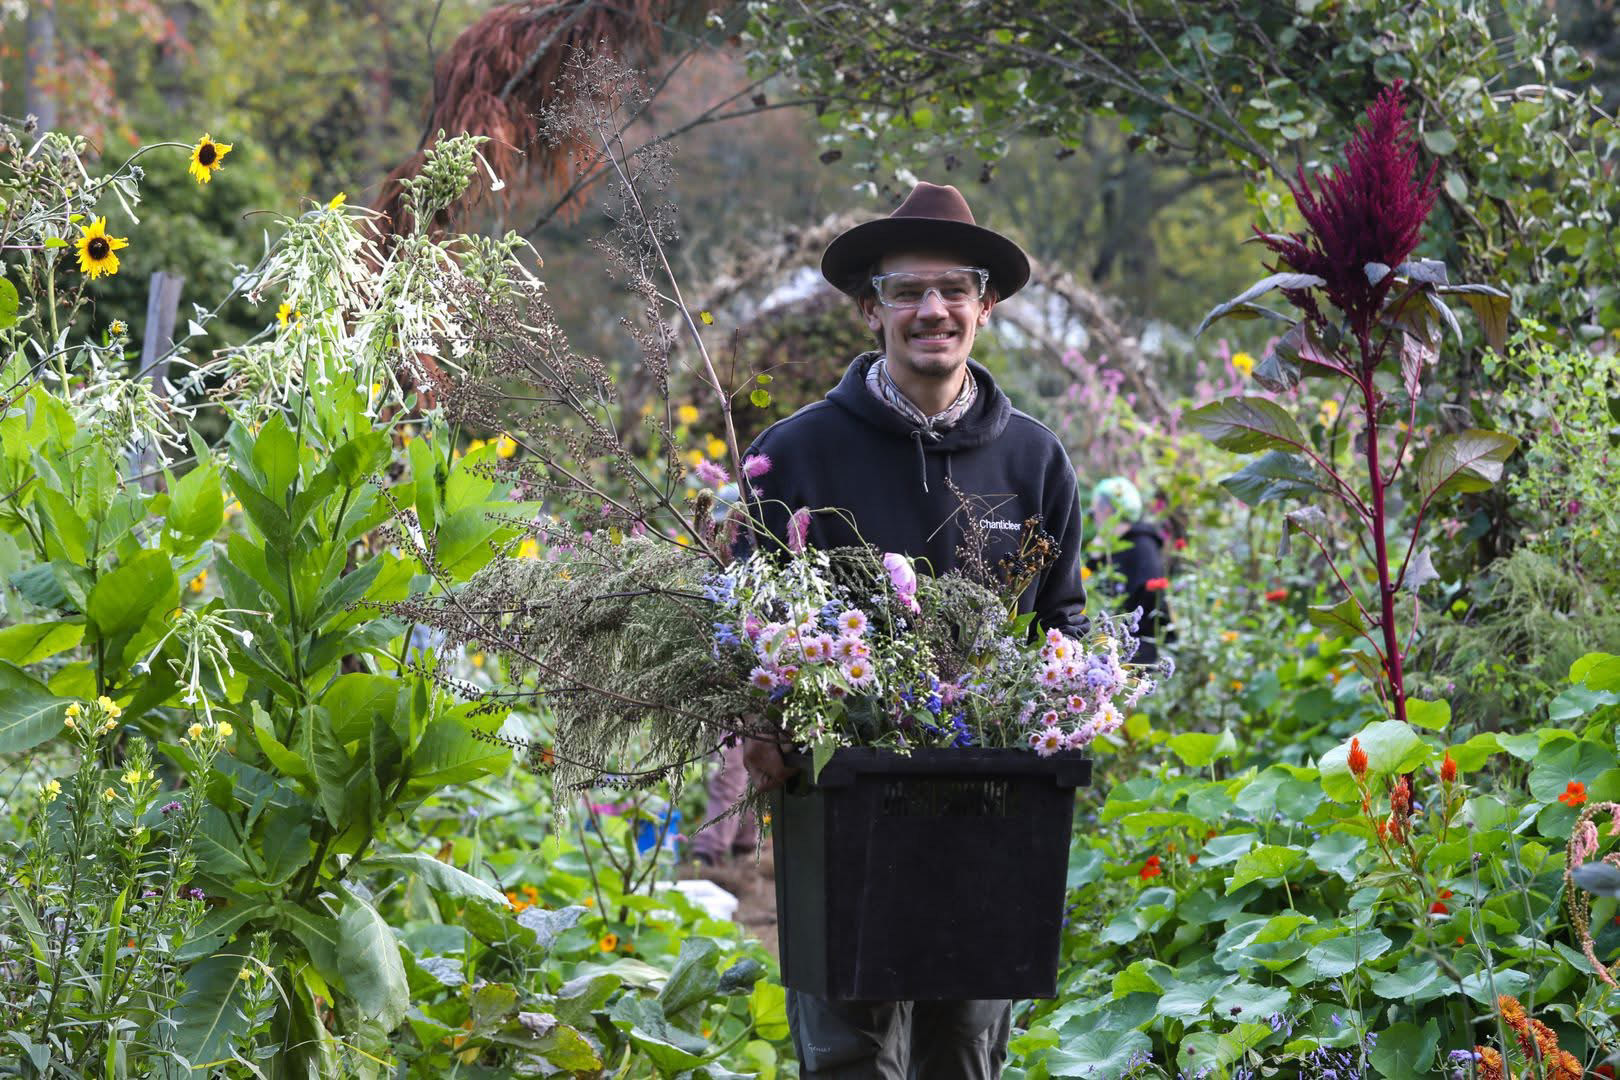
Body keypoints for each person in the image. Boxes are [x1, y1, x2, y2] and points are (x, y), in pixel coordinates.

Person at [737, 181, 1088, 1079]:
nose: (932, 310)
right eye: (906, 291)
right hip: (840, 800)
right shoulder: (801, 452)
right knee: (850, 1054)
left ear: (986, 305)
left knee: (963, 1054)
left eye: (955, 289)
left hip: (986, 804)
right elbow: (743, 617)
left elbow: (1062, 619)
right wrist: (758, 723)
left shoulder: (1033, 459)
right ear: (871, 310)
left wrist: (1069, 703)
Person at [1086, 476, 1171, 664]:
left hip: (1138, 654)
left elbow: (1148, 604)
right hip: (1117, 648)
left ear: (1107, 510)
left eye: (1094, 512)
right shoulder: (1113, 547)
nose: (1094, 519)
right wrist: (1094, 560)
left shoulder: (1142, 548)